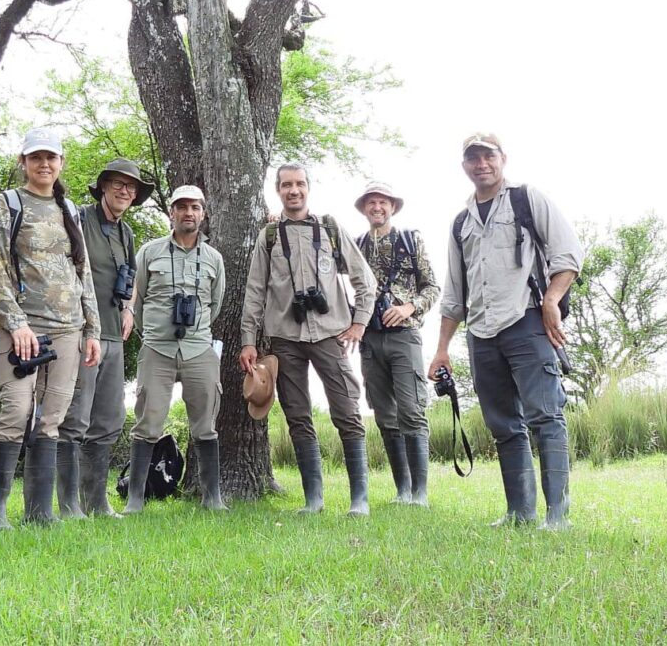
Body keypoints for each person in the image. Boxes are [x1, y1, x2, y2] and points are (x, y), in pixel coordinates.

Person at [428, 133, 582, 529]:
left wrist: (551, 301)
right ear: (464, 165)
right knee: (503, 425)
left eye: (488, 156)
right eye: (473, 158)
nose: (481, 163)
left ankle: (557, 517)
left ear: (502, 159)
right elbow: (454, 293)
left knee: (546, 416)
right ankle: (519, 513)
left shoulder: (527, 199)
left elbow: (568, 253)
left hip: (527, 321)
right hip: (480, 333)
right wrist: (442, 349)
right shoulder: (460, 222)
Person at [239, 164, 377, 516]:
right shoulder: (269, 236)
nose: (294, 191)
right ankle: (313, 499)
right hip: (284, 339)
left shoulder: (329, 229)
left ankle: (359, 499)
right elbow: (255, 291)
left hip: (331, 335)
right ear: (278, 190)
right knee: (298, 416)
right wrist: (248, 340)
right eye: (287, 185)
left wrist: (359, 323)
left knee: (347, 411)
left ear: (308, 188)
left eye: (299, 184)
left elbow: (365, 279)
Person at [0, 128, 101, 526]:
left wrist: (92, 330)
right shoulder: (8, 204)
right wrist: (16, 324)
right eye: (36, 158)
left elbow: (81, 272)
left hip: (68, 329)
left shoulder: (70, 210)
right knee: (16, 412)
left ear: (61, 163)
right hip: (19, 328)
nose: (44, 164)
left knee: (52, 419)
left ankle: (39, 515)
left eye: (51, 158)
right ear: (23, 162)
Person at [56, 158, 154, 518]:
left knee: (110, 419)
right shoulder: (78, 219)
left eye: (131, 187)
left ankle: (95, 502)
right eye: (118, 183)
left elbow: (131, 280)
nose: (125, 191)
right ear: (103, 187)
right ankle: (68, 506)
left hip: (114, 334)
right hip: (82, 333)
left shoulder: (126, 233)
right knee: (75, 418)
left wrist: (130, 310)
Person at [124, 185, 228, 514]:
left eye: (195, 207)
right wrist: (152, 330)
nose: (188, 213)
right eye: (181, 207)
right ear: (171, 212)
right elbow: (134, 300)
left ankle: (213, 497)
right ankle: (135, 500)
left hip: (199, 348)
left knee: (205, 424)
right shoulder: (150, 252)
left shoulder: (213, 258)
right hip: (158, 348)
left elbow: (215, 304)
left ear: (203, 213)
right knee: (148, 422)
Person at [354, 181, 440, 506]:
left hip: (405, 336)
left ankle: (420, 493)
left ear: (392, 206)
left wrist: (408, 307)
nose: (377, 207)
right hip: (370, 338)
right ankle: (402, 490)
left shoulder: (409, 240)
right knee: (384, 415)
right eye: (371, 202)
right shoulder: (357, 244)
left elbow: (432, 286)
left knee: (412, 411)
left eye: (382, 202)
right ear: (364, 208)